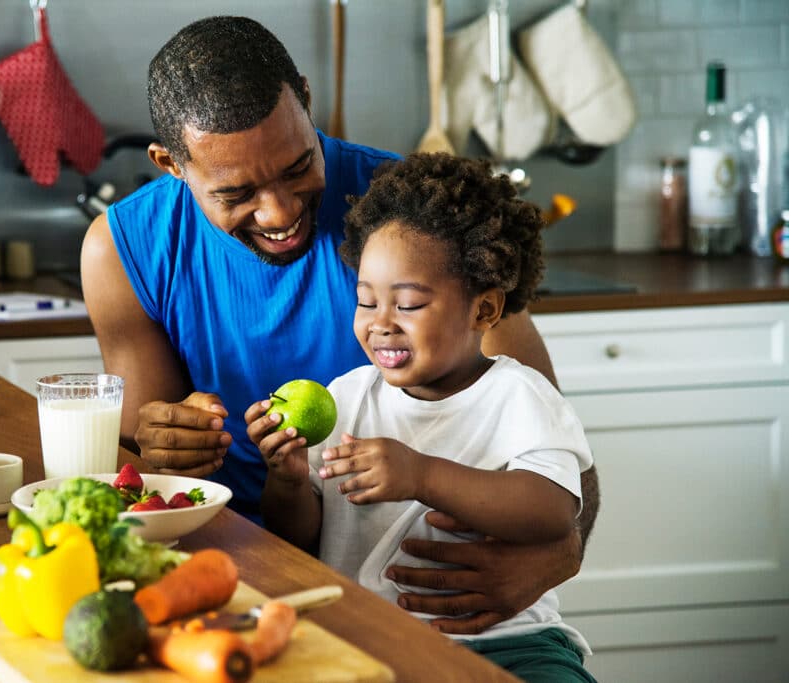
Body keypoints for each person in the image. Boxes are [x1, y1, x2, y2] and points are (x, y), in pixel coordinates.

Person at [80, 14, 601, 636]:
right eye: (236, 192)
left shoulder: (410, 219)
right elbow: (145, 472)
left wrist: (557, 558)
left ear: (305, 97)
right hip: (222, 573)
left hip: (426, 602)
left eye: (299, 166)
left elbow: (558, 448)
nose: (279, 212)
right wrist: (161, 441)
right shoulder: (123, 249)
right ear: (172, 164)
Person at [245, 153, 596, 681]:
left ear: (484, 311)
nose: (381, 325)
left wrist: (422, 474)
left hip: (508, 642)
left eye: (407, 305)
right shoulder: (348, 398)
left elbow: (552, 512)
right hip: (367, 638)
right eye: (366, 302)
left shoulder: (519, 396)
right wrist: (289, 481)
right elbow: (301, 539)